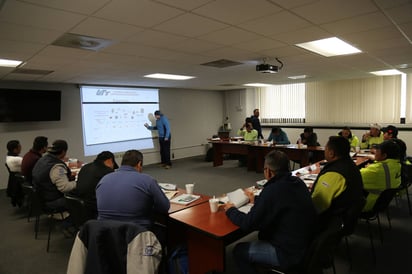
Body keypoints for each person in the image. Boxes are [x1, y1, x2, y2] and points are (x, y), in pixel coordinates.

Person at [224, 150, 316, 272]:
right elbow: (280, 201)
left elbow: (248, 223)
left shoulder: (272, 190)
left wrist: (231, 210)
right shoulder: (297, 182)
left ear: (268, 171)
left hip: (288, 253)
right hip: (306, 243)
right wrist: (256, 199)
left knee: (239, 250)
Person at [96, 149, 170, 230]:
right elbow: (165, 207)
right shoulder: (147, 180)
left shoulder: (104, 179)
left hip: (106, 234)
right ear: (139, 164)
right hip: (135, 235)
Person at [311, 136, 364, 229]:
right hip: (343, 218)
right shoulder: (351, 166)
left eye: (326, 149)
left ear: (331, 153)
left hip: (330, 222)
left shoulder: (334, 174)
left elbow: (317, 206)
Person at [32, 140, 77, 211]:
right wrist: (78, 182)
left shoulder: (42, 159)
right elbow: (64, 188)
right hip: (52, 201)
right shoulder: (57, 167)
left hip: (41, 197)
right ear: (63, 152)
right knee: (83, 196)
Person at [75, 151, 118, 220]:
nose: (113, 167)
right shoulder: (108, 172)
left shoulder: (85, 167)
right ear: (109, 160)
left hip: (80, 205)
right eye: (113, 163)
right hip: (95, 207)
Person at [360, 140, 402, 212]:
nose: (375, 153)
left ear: (384, 155)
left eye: (377, 151)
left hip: (367, 204)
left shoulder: (375, 170)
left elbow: (352, 177)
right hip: (381, 203)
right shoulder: (397, 165)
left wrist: (368, 168)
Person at [5, 140, 23, 207]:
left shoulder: (8, 157)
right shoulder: (17, 159)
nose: (21, 148)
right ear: (15, 149)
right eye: (19, 146)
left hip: (14, 180)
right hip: (21, 180)